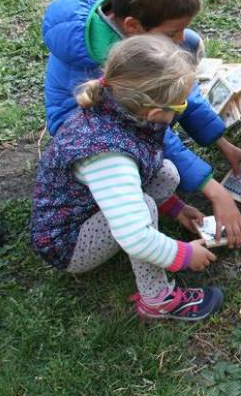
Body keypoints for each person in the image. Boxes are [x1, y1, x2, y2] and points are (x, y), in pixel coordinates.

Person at [42, 0, 241, 247]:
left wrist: (220, 141)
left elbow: (181, 93)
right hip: (91, 135)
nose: (180, 38)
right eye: (171, 32)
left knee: (189, 47)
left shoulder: (133, 16)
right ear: (133, 26)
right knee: (147, 156)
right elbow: (149, 133)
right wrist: (214, 190)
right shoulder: (99, 65)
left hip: (136, 110)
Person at [30, 36, 223, 321]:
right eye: (180, 106)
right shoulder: (109, 156)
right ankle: (157, 299)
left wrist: (176, 208)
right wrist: (182, 255)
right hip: (69, 243)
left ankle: (147, 218)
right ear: (156, 113)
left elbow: (148, 168)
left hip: (90, 204)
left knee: (166, 172)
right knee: (142, 209)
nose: (181, 109)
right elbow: (135, 237)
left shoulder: (119, 108)